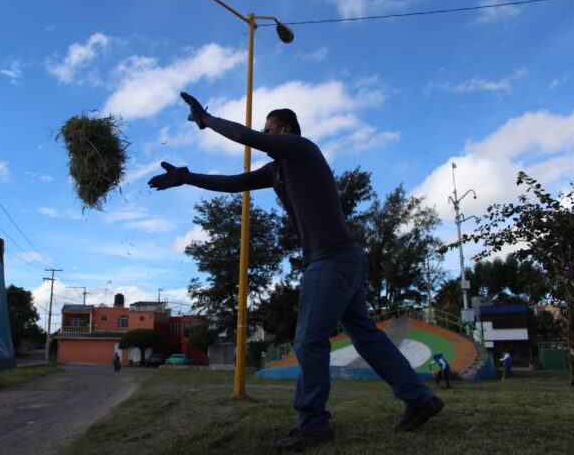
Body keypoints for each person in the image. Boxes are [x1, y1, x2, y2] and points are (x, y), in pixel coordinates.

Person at [148, 92, 444, 452]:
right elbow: (233, 183)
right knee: (366, 337)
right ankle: (419, 399)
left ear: (285, 130)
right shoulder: (277, 170)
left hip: (331, 260)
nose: (264, 133)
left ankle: (314, 424)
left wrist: (205, 120)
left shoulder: (302, 149)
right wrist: (187, 177)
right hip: (344, 260)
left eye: (269, 128)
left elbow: (248, 138)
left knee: (308, 341)